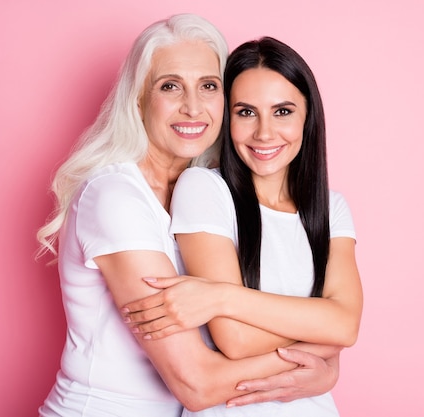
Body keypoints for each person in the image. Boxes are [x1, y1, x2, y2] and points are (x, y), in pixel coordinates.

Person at [36, 15, 340, 417]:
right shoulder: (115, 198)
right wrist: (320, 357)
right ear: (139, 98)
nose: (193, 107)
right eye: (170, 86)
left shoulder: (209, 193)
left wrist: (324, 360)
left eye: (209, 86)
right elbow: (197, 383)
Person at [122, 37, 363, 416]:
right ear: (227, 117)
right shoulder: (203, 188)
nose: (264, 133)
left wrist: (222, 297)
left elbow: (346, 324)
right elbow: (235, 339)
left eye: (282, 112)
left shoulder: (331, 209)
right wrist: (323, 342)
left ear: (308, 116)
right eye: (246, 112)